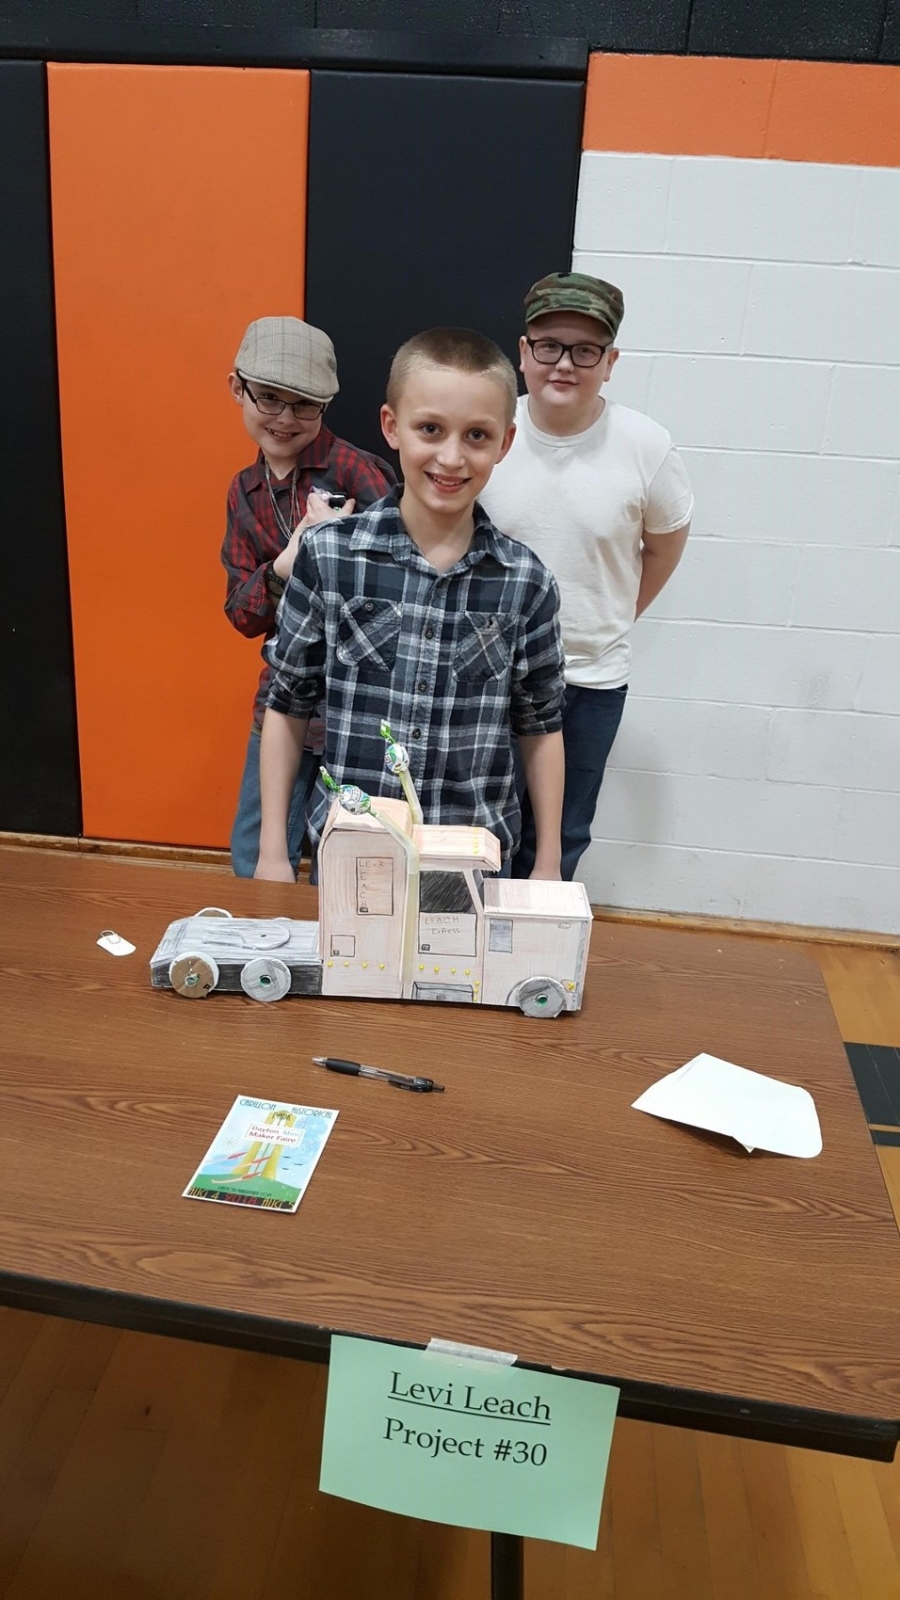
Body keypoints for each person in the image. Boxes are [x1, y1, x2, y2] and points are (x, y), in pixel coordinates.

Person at [253, 326, 566, 884]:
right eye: (430, 429)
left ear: (505, 443)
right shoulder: (330, 557)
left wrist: (547, 864)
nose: (451, 457)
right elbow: (287, 703)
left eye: (476, 435)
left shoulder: (527, 582)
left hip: (473, 859)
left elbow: (539, 726)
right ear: (391, 427)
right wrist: (274, 853)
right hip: (353, 855)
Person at [480, 271, 693, 880]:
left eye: (585, 350)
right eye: (548, 345)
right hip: (485, 674)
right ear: (523, 353)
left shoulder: (646, 447)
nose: (564, 364)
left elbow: (665, 545)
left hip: (590, 683)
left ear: (610, 361)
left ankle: (532, 967)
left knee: (561, 836)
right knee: (477, 830)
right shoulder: (489, 431)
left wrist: (613, 619)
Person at [221, 315, 396, 876]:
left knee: (344, 863)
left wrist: (336, 552)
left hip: (356, 703)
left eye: (304, 405)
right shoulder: (244, 492)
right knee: (253, 853)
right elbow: (241, 614)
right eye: (269, 399)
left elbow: (403, 583)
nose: (285, 419)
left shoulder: (357, 472)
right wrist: (287, 563)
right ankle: (264, 963)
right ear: (237, 388)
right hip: (280, 696)